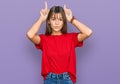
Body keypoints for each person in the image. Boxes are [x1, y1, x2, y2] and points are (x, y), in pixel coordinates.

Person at [26, 1, 92, 84]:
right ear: (49, 21)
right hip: (50, 79)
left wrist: (71, 19)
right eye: (53, 19)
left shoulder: (71, 38)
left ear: (64, 22)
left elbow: (88, 32)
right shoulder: (44, 39)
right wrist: (41, 19)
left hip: (67, 79)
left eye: (60, 19)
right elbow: (30, 34)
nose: (57, 23)